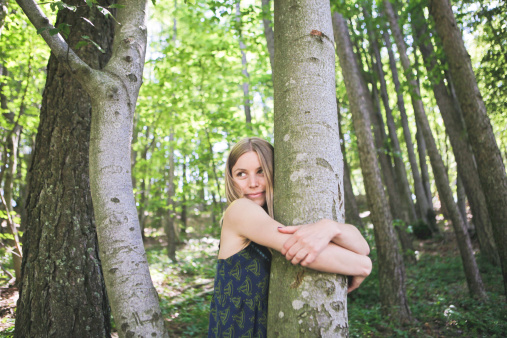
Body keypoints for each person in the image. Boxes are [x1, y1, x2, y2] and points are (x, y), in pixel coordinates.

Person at [207, 137, 371, 337]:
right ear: (231, 179)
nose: (252, 183)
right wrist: (365, 265)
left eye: (261, 171)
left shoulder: (272, 218)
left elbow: (362, 248)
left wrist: (332, 228)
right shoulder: (240, 210)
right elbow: (302, 249)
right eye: (241, 174)